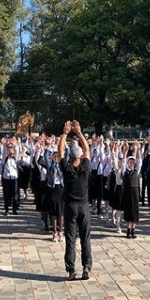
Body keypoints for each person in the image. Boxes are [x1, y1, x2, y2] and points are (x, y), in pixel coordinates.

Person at [59, 120, 92, 281]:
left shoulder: (68, 169)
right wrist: (79, 132)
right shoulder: (85, 168)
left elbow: (60, 152)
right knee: (85, 238)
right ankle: (86, 267)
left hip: (71, 206)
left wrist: (65, 133)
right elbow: (87, 150)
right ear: (80, 157)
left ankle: (71, 269)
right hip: (84, 207)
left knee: (70, 239)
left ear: (71, 157)